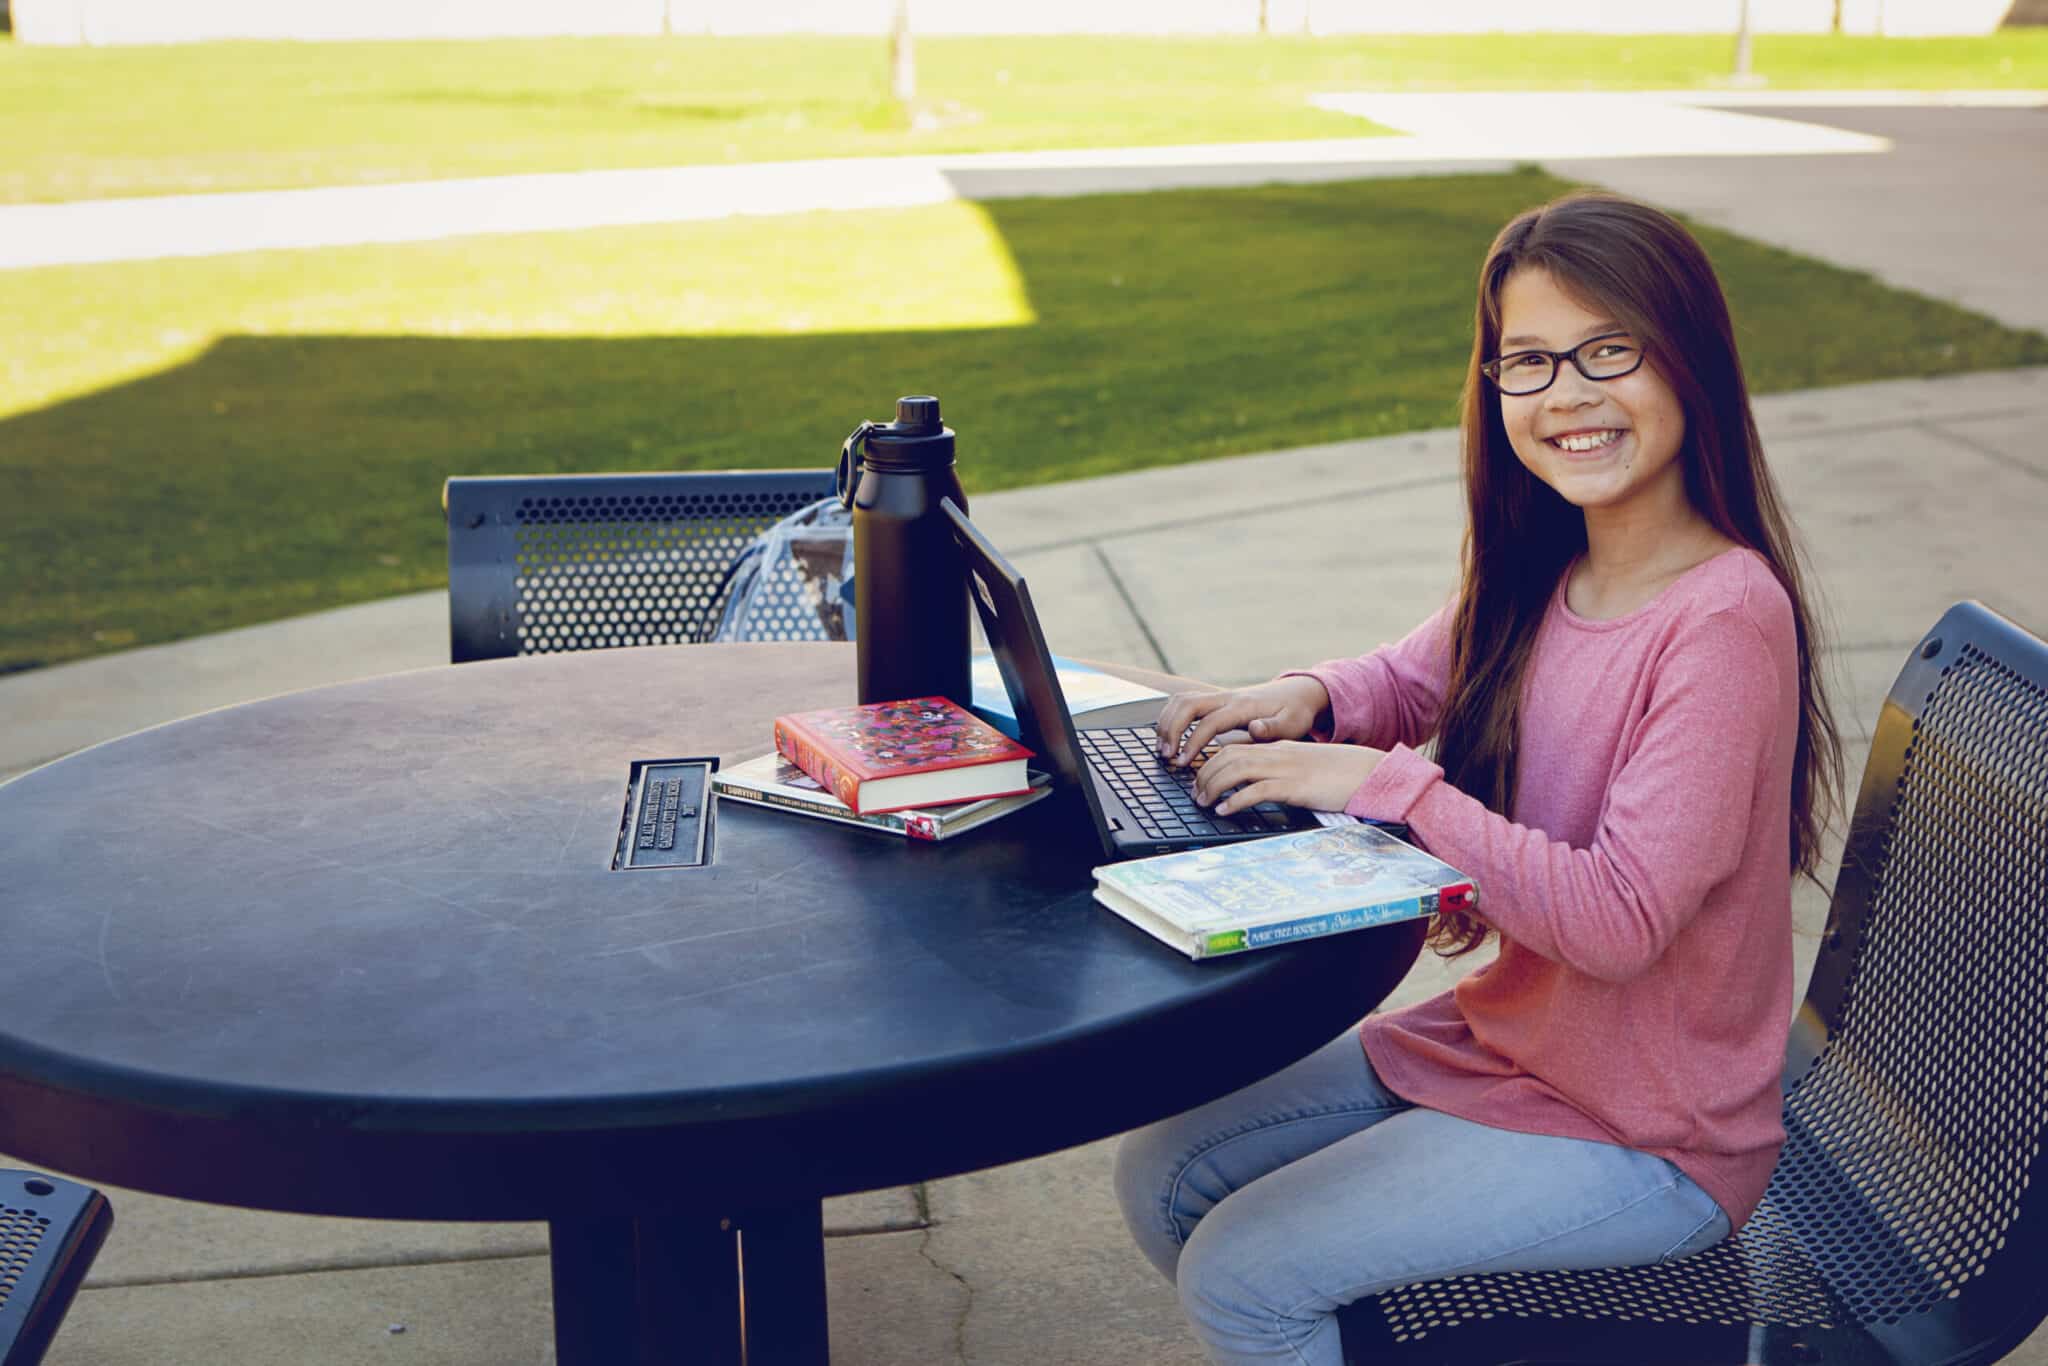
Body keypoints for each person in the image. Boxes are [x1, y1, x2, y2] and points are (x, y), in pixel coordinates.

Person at [1112, 190, 1844, 1365]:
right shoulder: (1550, 562)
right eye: (1528, 361)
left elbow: (1616, 920)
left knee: (1246, 1276)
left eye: (1609, 350)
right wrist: (1307, 696)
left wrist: (1382, 787)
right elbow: (1409, 675)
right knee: (1166, 1171)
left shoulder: (1720, 617)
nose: (1567, 394)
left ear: (1687, 361)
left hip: (1649, 1129)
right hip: (1513, 1049)